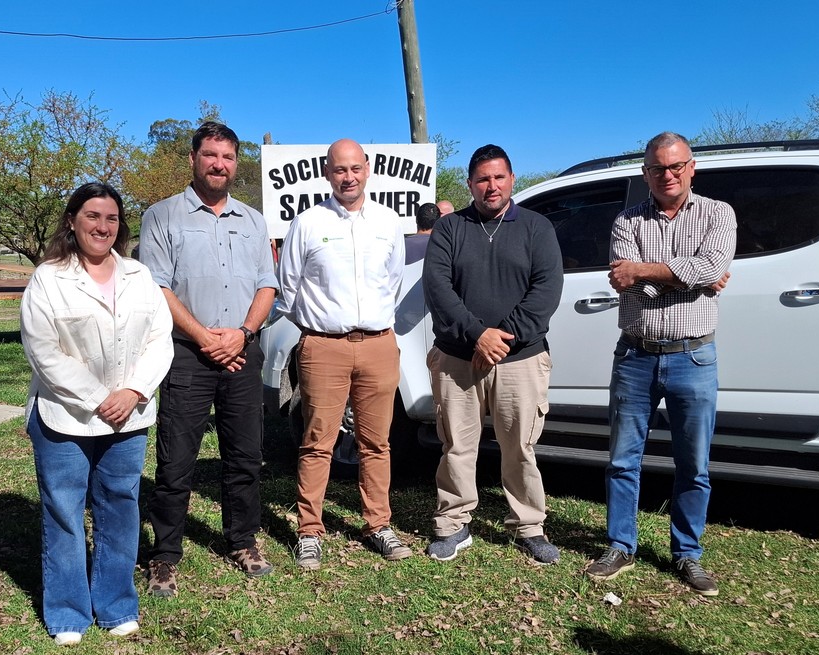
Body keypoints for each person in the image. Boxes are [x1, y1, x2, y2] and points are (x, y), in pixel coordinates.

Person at [21, 182, 174, 646]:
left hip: (129, 415)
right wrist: (97, 397)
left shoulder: (137, 275)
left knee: (120, 507)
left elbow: (159, 339)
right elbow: (43, 350)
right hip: (64, 416)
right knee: (65, 512)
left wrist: (132, 391)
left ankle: (115, 604)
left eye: (110, 218)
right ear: (72, 221)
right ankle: (67, 613)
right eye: (92, 216)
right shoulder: (48, 278)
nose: (102, 226)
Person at [584, 131, 736, 596]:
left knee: (694, 463)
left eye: (675, 167)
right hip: (635, 355)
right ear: (645, 172)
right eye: (656, 168)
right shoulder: (626, 220)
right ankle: (619, 545)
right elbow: (624, 280)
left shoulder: (718, 213)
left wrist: (652, 271)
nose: (666, 175)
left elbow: (709, 268)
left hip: (693, 355)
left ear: (692, 167)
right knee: (623, 460)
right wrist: (689, 276)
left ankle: (687, 554)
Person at [138, 122, 279, 596]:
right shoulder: (161, 216)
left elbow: (267, 284)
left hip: (242, 351)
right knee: (177, 458)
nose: (220, 164)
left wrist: (241, 334)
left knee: (245, 454)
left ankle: (242, 539)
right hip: (186, 355)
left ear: (237, 163)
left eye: (228, 157)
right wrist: (205, 339)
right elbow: (157, 286)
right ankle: (165, 555)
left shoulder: (254, 221)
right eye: (210, 155)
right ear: (194, 159)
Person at [421, 144, 564, 565]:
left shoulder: (537, 228)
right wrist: (477, 334)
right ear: (469, 184)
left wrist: (502, 339)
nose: (491, 186)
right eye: (482, 179)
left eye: (499, 177)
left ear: (512, 180)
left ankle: (528, 526)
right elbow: (438, 288)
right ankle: (453, 523)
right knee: (457, 446)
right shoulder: (450, 229)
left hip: (521, 360)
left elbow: (546, 291)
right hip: (457, 358)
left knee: (519, 446)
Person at [277, 138, 410, 570]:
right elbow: (288, 287)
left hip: (377, 345)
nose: (348, 177)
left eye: (355, 168)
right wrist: (318, 329)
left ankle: (378, 525)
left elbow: (392, 281)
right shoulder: (308, 223)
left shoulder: (388, 222)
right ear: (327, 173)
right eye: (339, 170)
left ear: (367, 169)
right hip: (324, 347)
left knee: (377, 443)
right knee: (318, 442)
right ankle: (310, 530)